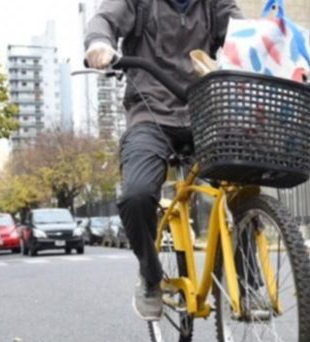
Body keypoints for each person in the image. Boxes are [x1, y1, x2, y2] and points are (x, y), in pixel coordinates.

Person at [84, 0, 243, 320]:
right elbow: (104, 19)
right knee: (137, 195)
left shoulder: (214, 3)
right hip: (150, 113)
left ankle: (247, 277)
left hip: (205, 113)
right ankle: (151, 275)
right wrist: (99, 43)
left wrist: (269, 47)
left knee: (243, 181)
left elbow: (242, 32)